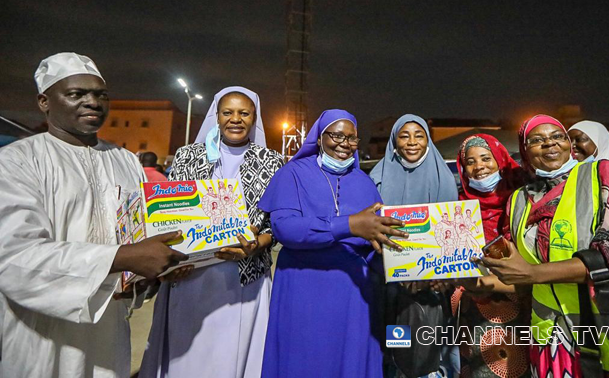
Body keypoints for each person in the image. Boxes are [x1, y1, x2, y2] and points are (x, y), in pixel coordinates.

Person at [0, 53, 187, 378]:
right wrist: (123, 257)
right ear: (45, 101)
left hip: (109, 327)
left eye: (101, 95)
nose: (93, 102)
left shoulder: (126, 161)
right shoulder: (17, 162)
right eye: (76, 94)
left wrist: (153, 272)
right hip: (42, 333)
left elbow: (140, 236)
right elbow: (15, 256)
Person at [480, 115, 609, 377]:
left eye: (558, 136)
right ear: (524, 150)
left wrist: (533, 273)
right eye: (537, 140)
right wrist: (475, 283)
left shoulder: (601, 176)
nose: (550, 144)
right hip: (551, 339)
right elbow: (522, 275)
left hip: (606, 327)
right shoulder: (518, 202)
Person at [140, 87, 284, 378]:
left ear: (254, 118)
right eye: (227, 112)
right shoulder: (188, 156)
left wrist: (260, 242)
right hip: (192, 274)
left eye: (244, 113)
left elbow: (276, 222)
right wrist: (170, 263)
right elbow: (168, 213)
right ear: (216, 116)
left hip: (243, 275)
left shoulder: (271, 161)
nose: (235, 119)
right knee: (189, 354)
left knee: (236, 352)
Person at [259, 109, 408, 378]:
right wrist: (348, 225)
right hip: (303, 288)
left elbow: (373, 241)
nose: (345, 144)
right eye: (337, 135)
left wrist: (402, 263)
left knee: (348, 362)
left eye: (352, 139)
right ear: (319, 137)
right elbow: (285, 228)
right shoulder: (292, 173)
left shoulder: (365, 183)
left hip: (352, 293)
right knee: (302, 361)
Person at [369, 114, 459, 377]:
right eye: (404, 135)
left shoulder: (443, 177)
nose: (412, 142)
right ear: (394, 141)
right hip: (384, 283)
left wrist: (433, 274)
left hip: (430, 286)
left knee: (422, 355)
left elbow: (451, 236)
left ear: (428, 140)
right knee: (391, 348)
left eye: (419, 135)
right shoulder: (377, 177)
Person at [453, 134, 530, 378]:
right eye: (470, 162)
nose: (479, 167)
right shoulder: (457, 208)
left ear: (500, 161)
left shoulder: (524, 200)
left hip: (525, 303)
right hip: (476, 310)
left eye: (486, 158)